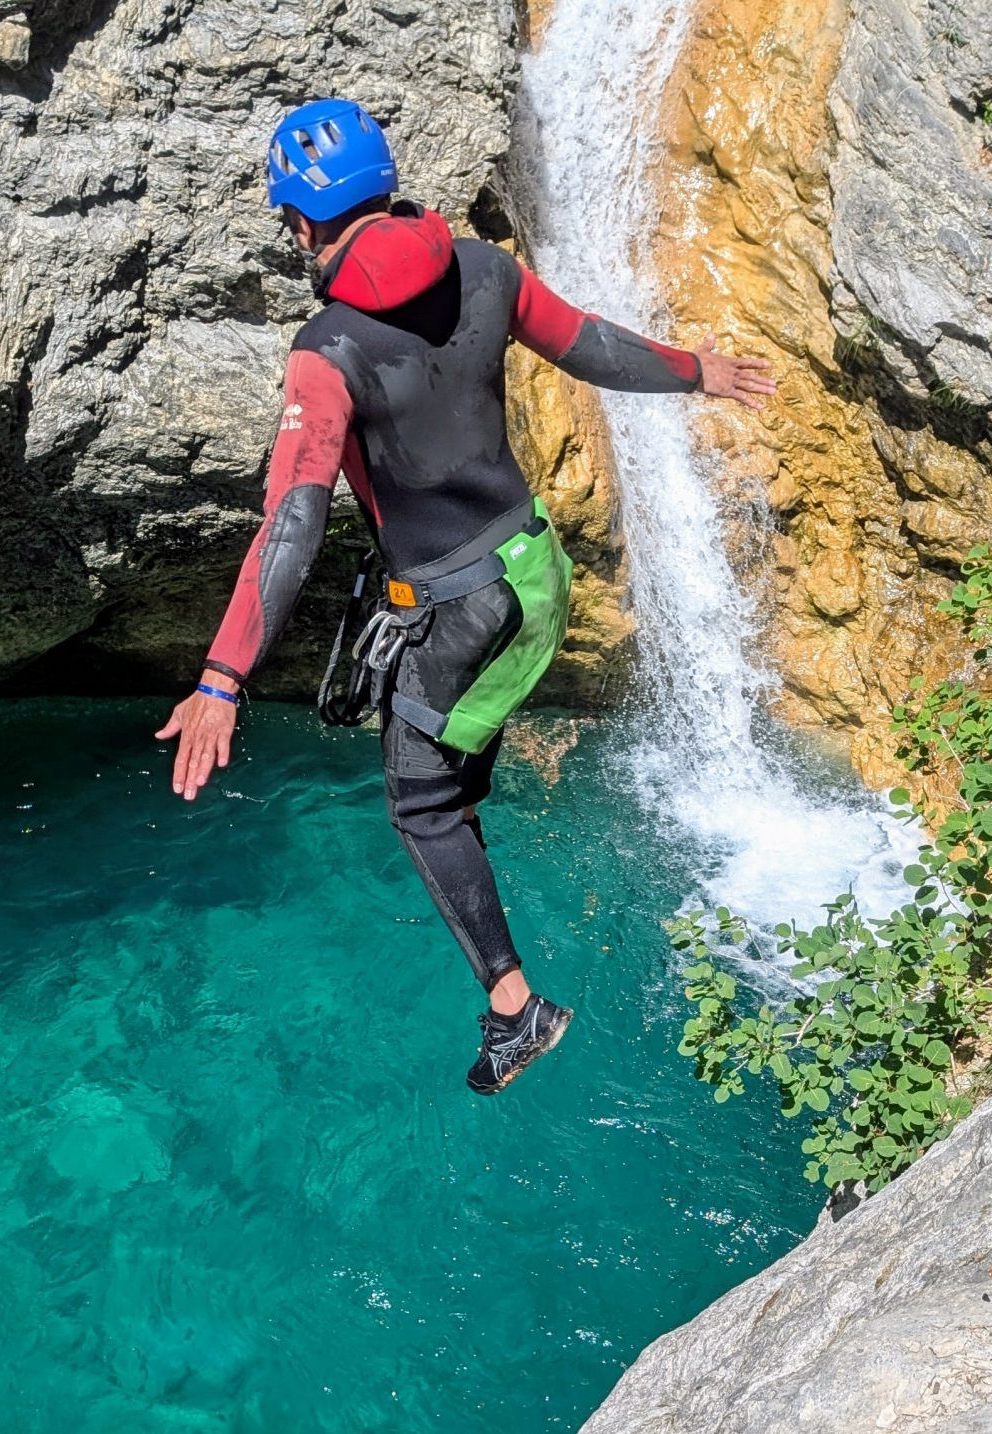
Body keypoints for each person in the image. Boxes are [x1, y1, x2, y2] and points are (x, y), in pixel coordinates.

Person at [155, 98, 776, 1094]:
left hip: (468, 613)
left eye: (287, 221)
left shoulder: (327, 351)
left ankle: (516, 1012)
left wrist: (223, 676)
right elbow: (584, 344)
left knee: (416, 802)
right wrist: (697, 370)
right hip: (534, 573)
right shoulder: (483, 270)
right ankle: (472, 830)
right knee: (443, 759)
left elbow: (291, 524)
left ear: (306, 221)